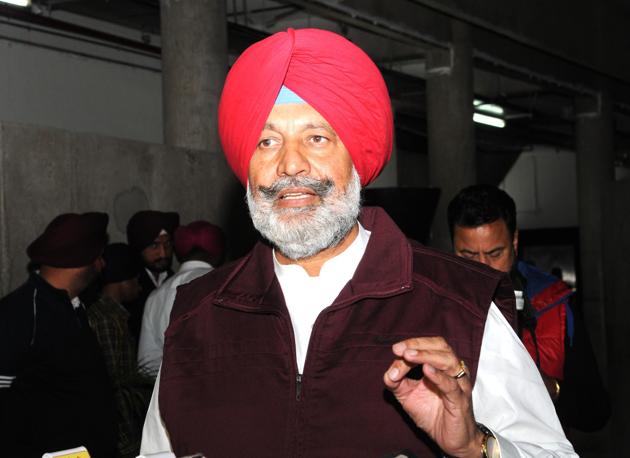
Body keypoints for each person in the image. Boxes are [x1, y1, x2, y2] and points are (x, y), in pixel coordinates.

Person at [141, 28, 576, 457]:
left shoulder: (460, 304)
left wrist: (475, 447)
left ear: (356, 159)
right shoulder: (196, 315)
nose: (290, 163)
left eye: (316, 137)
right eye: (267, 141)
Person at [447, 184, 610, 432]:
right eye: (468, 255)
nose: (483, 269)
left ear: (514, 240)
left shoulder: (555, 303)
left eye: (495, 253)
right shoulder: (434, 306)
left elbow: (594, 413)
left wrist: (546, 388)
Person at [0, 213, 116, 458]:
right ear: (81, 260)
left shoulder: (74, 306)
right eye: (98, 257)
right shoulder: (22, 311)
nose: (102, 265)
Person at [87, 242, 152, 458]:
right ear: (122, 281)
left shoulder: (115, 315)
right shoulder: (108, 319)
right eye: (136, 279)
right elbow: (114, 383)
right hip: (121, 432)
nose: (139, 286)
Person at [138, 221, 226, 376]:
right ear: (219, 252)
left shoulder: (155, 296)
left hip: (169, 394)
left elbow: (148, 365)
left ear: (178, 253)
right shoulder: (226, 286)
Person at [126, 210, 180, 341]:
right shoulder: (129, 287)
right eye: (154, 245)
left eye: (167, 244)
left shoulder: (177, 282)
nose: (163, 254)